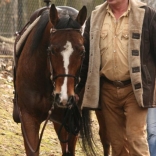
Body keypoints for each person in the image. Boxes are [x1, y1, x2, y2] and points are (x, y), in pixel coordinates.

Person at [76, 0, 156, 155]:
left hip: (135, 90)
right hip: (108, 91)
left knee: (135, 139)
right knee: (117, 144)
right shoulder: (95, 17)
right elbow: (87, 58)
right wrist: (79, 88)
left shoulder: (146, 15)